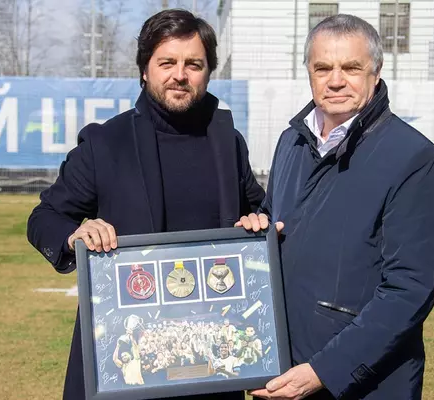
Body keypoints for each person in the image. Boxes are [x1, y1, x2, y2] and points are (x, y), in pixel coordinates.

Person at [27, 8, 264, 400]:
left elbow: (259, 214)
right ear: (144, 70)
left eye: (193, 64)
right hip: (126, 359)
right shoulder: (106, 143)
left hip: (208, 359)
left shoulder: (229, 142)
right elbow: (45, 216)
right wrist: (74, 235)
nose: (180, 75)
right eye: (167, 63)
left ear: (208, 72)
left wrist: (257, 223)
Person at [238, 14, 434, 400]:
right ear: (309, 72)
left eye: (351, 67)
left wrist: (325, 371)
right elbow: (277, 216)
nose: (335, 80)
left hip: (363, 384)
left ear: (376, 72)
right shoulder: (291, 142)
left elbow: (409, 290)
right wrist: (259, 227)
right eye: (323, 68)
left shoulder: (414, 158)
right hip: (285, 369)